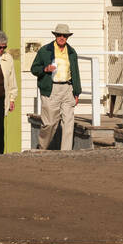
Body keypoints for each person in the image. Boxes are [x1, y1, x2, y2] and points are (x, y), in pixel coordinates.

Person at [32, 23, 83, 151]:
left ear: (67, 37)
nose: (62, 37)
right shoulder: (45, 51)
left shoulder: (71, 52)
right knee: (49, 123)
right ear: (55, 36)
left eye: (65, 36)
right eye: (59, 35)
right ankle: (42, 147)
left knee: (68, 123)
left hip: (67, 88)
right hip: (51, 89)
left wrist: (77, 92)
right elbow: (34, 69)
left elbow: (75, 72)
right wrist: (45, 69)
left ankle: (66, 152)